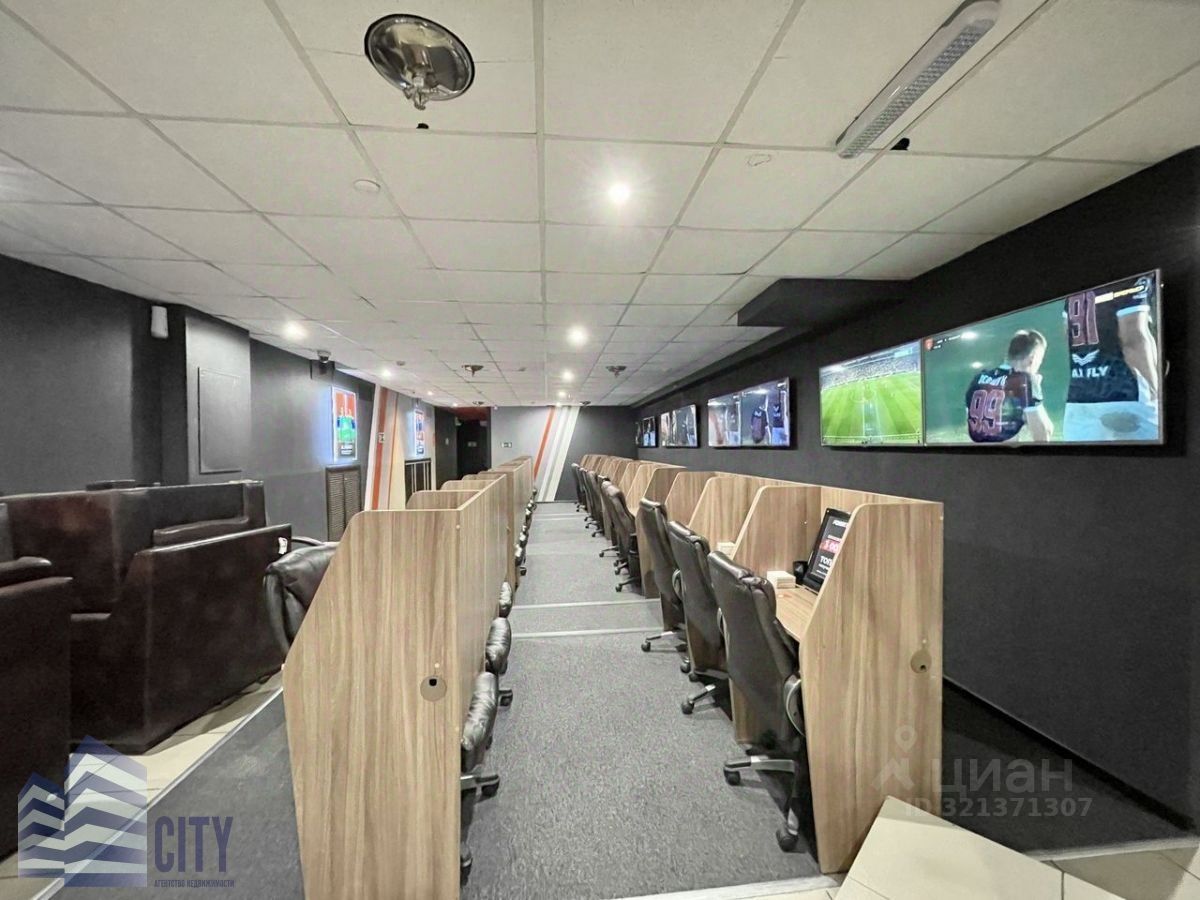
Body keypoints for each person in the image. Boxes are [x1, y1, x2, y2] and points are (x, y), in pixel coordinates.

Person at [1062, 274, 1160, 441]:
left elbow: (1068, 337)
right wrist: (1155, 390)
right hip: (1126, 391)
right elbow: (1133, 339)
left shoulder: (1072, 294)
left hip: (1080, 396)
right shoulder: (1131, 278)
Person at [964, 329, 1053, 443]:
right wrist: (1035, 391)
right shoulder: (1024, 383)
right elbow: (1043, 435)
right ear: (1032, 359)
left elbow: (973, 426)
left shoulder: (978, 379)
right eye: (1040, 360)